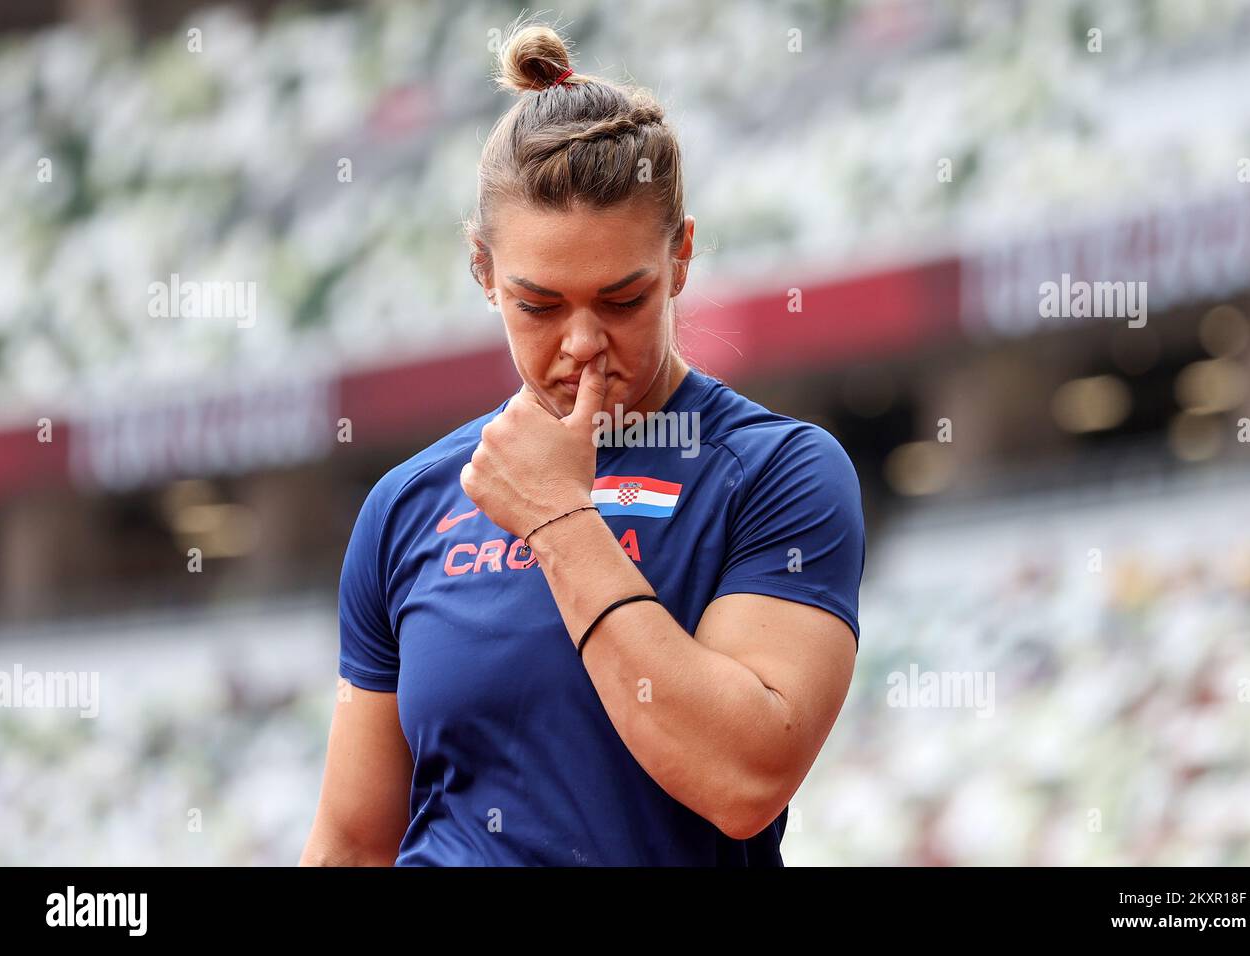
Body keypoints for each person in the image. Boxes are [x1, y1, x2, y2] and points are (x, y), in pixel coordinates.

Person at [300, 19, 865, 867]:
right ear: (484, 274)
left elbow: (745, 778)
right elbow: (349, 841)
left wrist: (560, 520)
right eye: (540, 304)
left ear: (680, 257)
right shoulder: (408, 505)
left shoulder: (779, 473)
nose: (582, 342)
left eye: (623, 298)